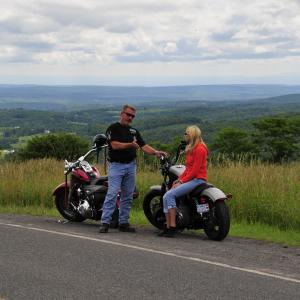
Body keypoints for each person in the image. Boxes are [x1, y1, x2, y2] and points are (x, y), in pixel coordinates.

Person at [99, 104, 166, 233]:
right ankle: (105, 222)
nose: (130, 118)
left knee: (128, 195)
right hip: (116, 166)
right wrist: (130, 144)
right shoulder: (113, 128)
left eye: (132, 116)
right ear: (121, 114)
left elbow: (143, 146)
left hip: (130, 166)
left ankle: (123, 222)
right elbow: (114, 145)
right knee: (112, 194)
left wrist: (156, 152)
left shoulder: (134, 131)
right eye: (128, 114)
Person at [159, 125, 208, 237]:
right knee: (166, 195)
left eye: (186, 133)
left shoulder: (200, 149)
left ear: (192, 135)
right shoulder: (192, 148)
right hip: (191, 179)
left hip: (198, 180)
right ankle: (167, 226)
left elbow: (195, 171)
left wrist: (182, 181)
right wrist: (180, 180)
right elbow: (188, 169)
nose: (184, 135)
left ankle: (173, 227)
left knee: (169, 195)